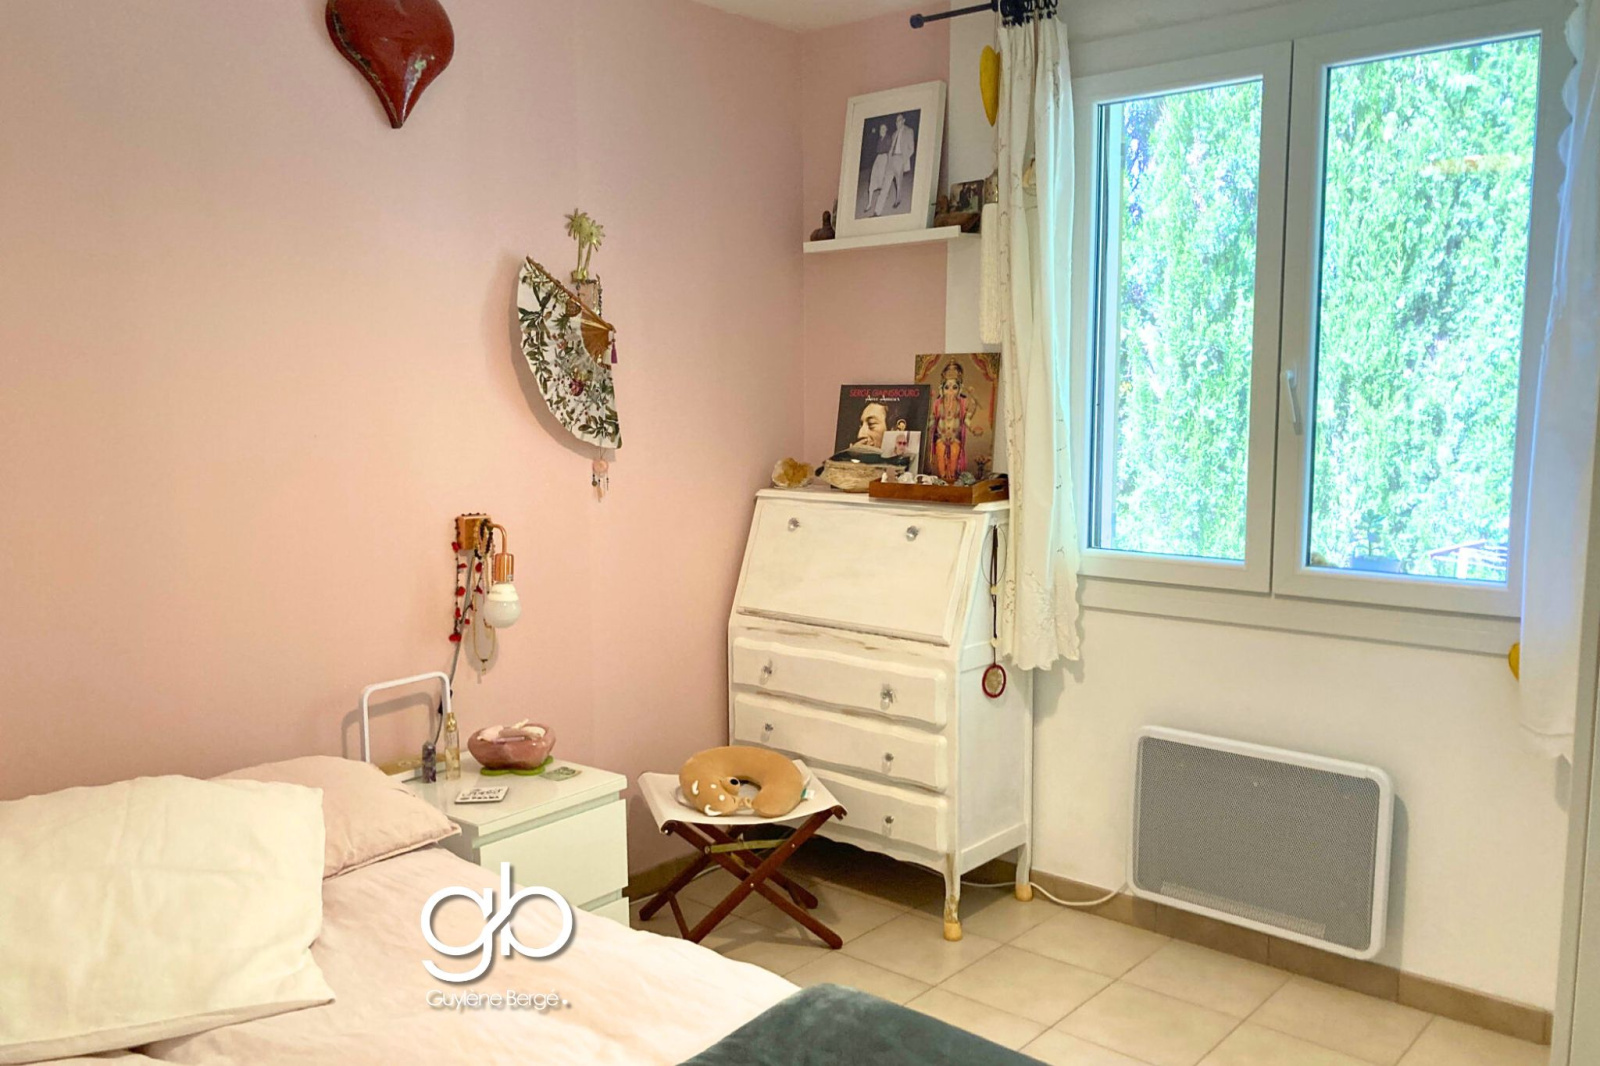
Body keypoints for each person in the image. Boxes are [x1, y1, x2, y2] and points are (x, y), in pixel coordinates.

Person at [930, 360, 984, 481]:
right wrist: (925, 426)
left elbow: (966, 420)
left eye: (954, 388)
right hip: (941, 436)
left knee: (954, 459)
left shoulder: (962, 404)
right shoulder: (938, 404)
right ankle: (942, 480)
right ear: (942, 389)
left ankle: (952, 480)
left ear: (959, 390)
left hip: (955, 437)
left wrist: (973, 429)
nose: (950, 391)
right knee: (940, 460)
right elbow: (933, 420)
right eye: (947, 387)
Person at [875, 114, 917, 216]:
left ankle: (898, 199)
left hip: (900, 159)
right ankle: (877, 211)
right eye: (896, 121)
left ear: (903, 120)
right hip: (891, 160)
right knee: (885, 184)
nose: (897, 122)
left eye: (899, 120)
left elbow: (911, 149)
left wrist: (903, 160)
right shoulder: (894, 134)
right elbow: (891, 148)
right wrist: (888, 160)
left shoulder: (909, 131)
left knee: (898, 182)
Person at [864, 124, 891, 218]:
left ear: (886, 129)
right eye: (880, 129)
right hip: (878, 158)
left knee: (881, 178)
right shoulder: (879, 139)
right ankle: (869, 204)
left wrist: (887, 163)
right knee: (873, 178)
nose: (881, 130)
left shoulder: (888, 138)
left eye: (883, 128)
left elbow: (887, 150)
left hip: (884, 158)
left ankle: (885, 194)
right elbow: (875, 149)